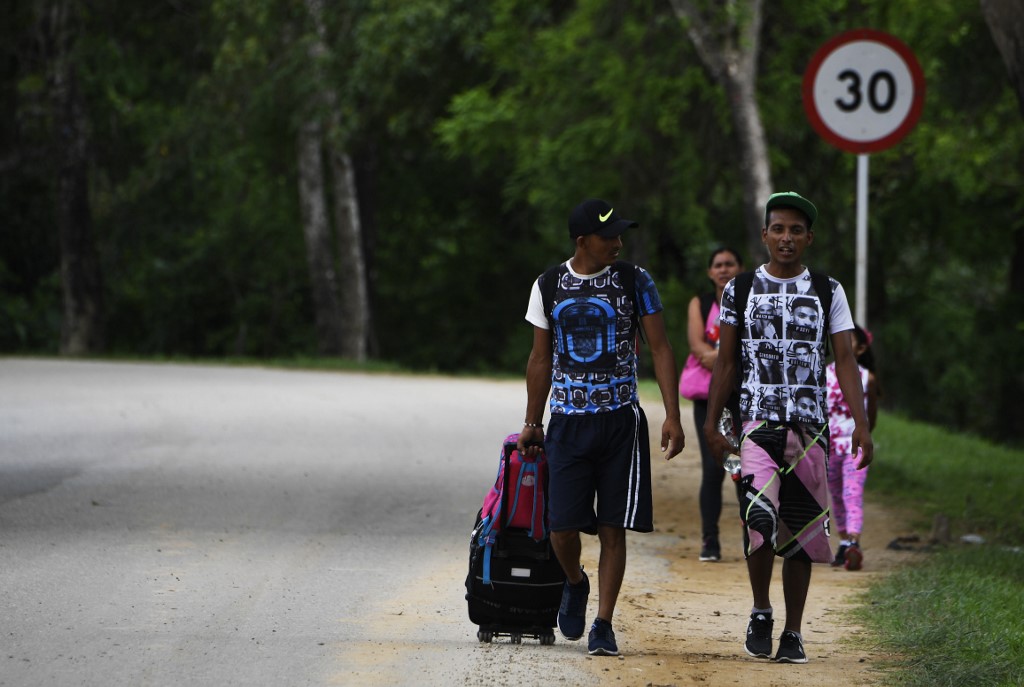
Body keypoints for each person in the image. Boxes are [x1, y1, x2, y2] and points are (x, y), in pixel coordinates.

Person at [703, 191, 873, 664]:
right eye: (778, 228)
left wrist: (861, 425)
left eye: (796, 230)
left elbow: (843, 359)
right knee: (759, 518)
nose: (786, 238)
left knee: (801, 529)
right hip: (756, 424)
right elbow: (726, 362)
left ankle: (794, 632)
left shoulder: (827, 291)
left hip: (810, 427)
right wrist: (715, 426)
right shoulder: (738, 289)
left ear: (809, 238)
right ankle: (761, 611)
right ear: (764, 235)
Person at [517, 198, 685, 657]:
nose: (617, 242)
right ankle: (575, 580)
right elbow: (539, 357)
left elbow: (661, 348)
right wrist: (533, 421)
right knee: (561, 529)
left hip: (620, 422)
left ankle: (604, 624)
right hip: (567, 422)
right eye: (608, 236)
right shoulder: (548, 285)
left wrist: (672, 413)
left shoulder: (635, 280)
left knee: (613, 528)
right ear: (582, 241)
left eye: (619, 235)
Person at [685, 247, 743, 562]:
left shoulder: (749, 298)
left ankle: (755, 535)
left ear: (740, 268)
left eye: (729, 264)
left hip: (743, 399)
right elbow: (697, 348)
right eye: (718, 265)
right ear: (710, 272)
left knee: (746, 466)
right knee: (714, 468)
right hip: (708, 398)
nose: (723, 269)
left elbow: (726, 353)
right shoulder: (701, 303)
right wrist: (728, 358)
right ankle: (710, 539)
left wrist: (718, 356)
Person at [826, 324, 879, 571]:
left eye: (850, 339)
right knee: (836, 494)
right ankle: (844, 541)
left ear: (861, 347)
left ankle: (853, 542)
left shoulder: (867, 378)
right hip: (828, 447)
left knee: (852, 493)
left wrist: (865, 435)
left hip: (854, 446)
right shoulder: (822, 375)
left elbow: (871, 416)